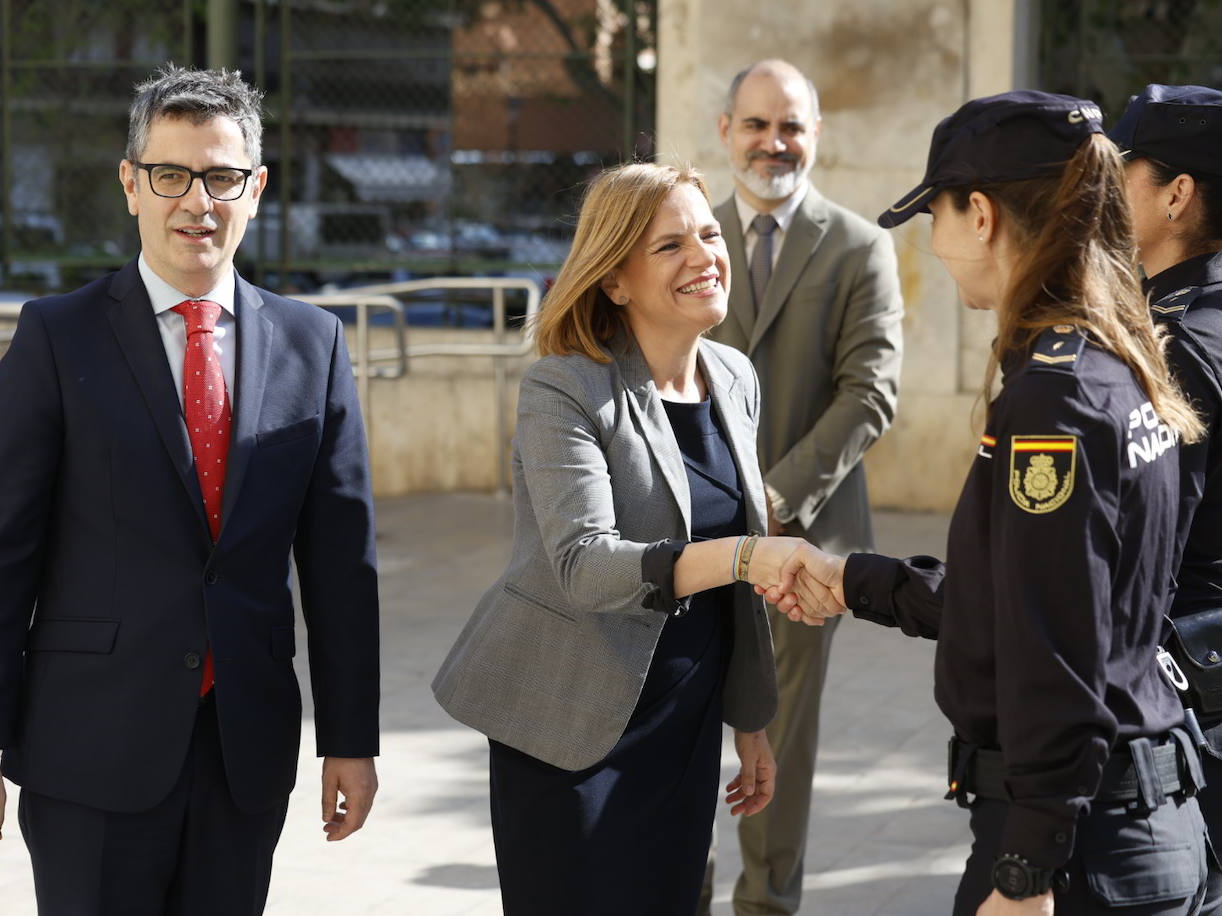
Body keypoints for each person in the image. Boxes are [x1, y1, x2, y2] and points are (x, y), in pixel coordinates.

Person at [0, 65, 380, 915]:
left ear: (256, 188)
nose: (196, 203)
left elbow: (340, 568)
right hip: (88, 749)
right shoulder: (56, 339)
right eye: (171, 175)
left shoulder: (313, 344)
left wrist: (351, 743)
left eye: (220, 178)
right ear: (130, 183)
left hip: (243, 752)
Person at [768, 90, 1211, 914]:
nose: (931, 244)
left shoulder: (1058, 398)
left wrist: (1026, 873)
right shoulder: (1123, 362)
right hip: (1133, 824)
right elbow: (1054, 598)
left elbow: (1056, 647)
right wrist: (856, 581)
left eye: (933, 213)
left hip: (1079, 849)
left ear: (980, 215)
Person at [432, 162, 803, 916]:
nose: (704, 256)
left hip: (685, 724)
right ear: (615, 281)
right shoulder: (565, 387)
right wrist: (744, 557)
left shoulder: (734, 377)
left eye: (708, 232)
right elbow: (586, 566)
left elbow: (734, 591)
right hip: (568, 728)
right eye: (670, 246)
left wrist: (751, 719)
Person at [708, 58, 904, 916]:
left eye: (790, 125)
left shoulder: (861, 245)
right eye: (756, 124)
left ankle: (766, 903)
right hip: (693, 535)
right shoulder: (685, 238)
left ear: (815, 135)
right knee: (678, 722)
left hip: (808, 539)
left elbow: (871, 391)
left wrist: (776, 498)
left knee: (781, 738)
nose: (773, 142)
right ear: (726, 132)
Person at [1111, 80, 1222, 880]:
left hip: (1193, 704)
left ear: (1177, 195)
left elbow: (1145, 559)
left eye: (1124, 172)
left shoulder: (1174, 345)